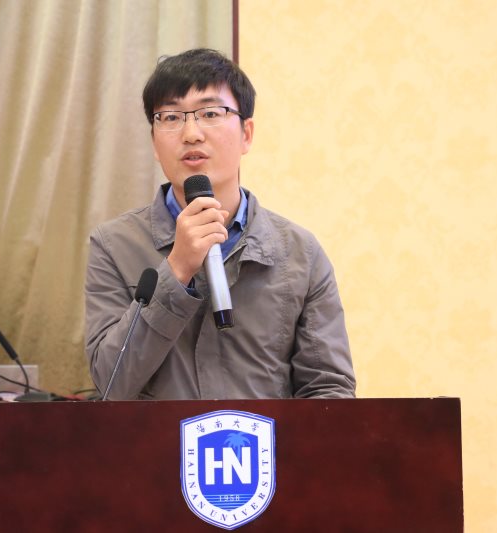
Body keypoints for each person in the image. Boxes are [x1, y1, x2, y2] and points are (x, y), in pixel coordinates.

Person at [85, 48, 355, 400]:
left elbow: (328, 391)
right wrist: (177, 269)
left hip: (262, 439)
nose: (191, 133)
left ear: (246, 134)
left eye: (210, 113)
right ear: (154, 141)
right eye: (170, 117)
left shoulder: (300, 253)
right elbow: (111, 384)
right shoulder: (114, 245)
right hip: (157, 439)